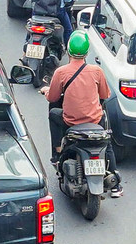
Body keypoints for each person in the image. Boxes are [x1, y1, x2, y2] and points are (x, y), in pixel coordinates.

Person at [45, 31, 123, 196]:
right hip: (95, 121)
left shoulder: (61, 72)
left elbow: (52, 98)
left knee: (53, 113)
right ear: (87, 53)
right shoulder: (96, 71)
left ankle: (57, 152)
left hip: (70, 122)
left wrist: (46, 91)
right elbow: (104, 95)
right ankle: (116, 184)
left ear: (68, 50)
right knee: (106, 142)